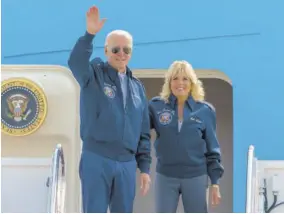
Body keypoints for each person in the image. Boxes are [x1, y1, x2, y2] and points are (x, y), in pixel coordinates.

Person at [68, 6, 151, 213]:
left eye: (126, 50)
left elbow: (143, 133)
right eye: (115, 49)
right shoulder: (93, 75)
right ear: (106, 51)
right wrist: (89, 35)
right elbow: (75, 62)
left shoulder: (138, 88)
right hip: (97, 157)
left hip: (126, 162)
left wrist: (145, 168)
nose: (121, 54)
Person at [149, 60, 224, 213]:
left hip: (196, 176)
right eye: (175, 78)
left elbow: (212, 148)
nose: (180, 83)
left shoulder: (205, 110)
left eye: (185, 79)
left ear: (192, 83)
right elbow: (139, 133)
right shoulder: (156, 106)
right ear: (169, 82)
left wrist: (215, 182)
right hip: (166, 176)